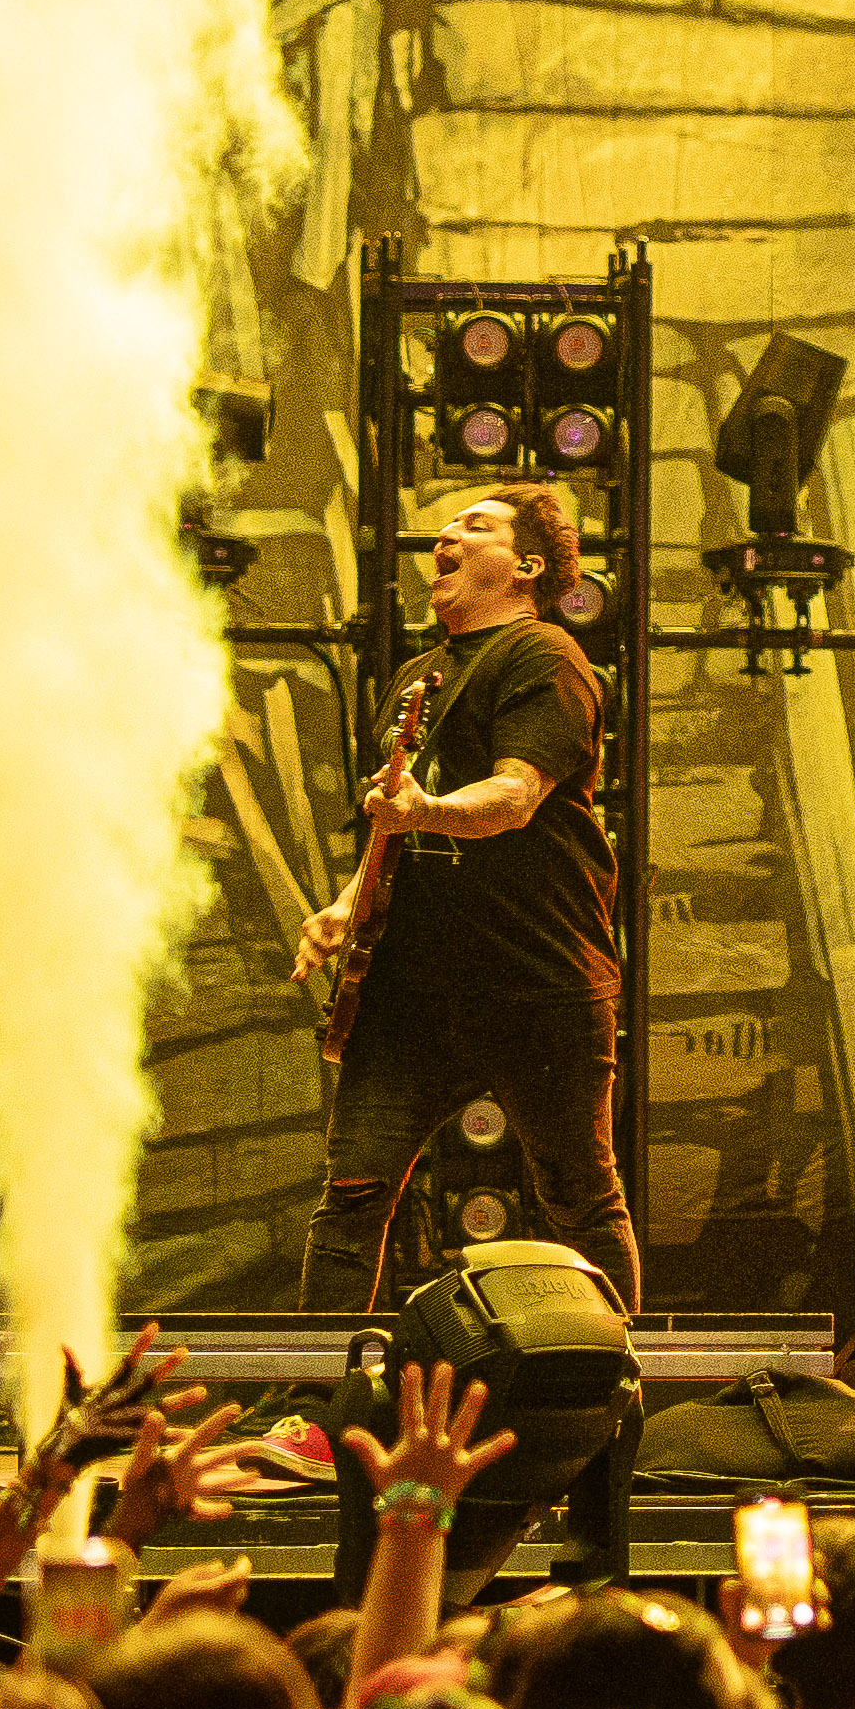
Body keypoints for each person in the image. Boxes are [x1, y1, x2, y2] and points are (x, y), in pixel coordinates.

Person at [292, 486, 633, 1314]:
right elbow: (396, 828)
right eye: (445, 524)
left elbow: (514, 797)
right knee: (351, 1197)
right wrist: (349, 902)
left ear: (526, 567)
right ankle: (311, 1409)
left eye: (473, 526)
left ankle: (615, 1405)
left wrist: (426, 811)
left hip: (537, 981)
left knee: (580, 1199)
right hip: (415, 994)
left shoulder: (545, 656)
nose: (444, 534)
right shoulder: (418, 677)